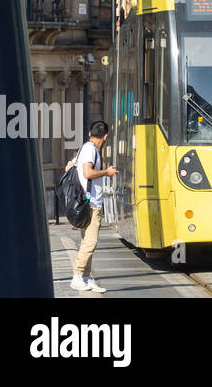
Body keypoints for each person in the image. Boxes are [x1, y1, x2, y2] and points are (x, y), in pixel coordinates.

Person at [70, 120, 117, 293]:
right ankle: (77, 276)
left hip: (85, 201)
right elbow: (88, 173)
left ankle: (87, 277)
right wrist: (107, 172)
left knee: (86, 242)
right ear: (105, 137)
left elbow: (71, 165)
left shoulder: (84, 148)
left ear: (90, 133)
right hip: (91, 203)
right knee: (91, 242)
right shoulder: (92, 150)